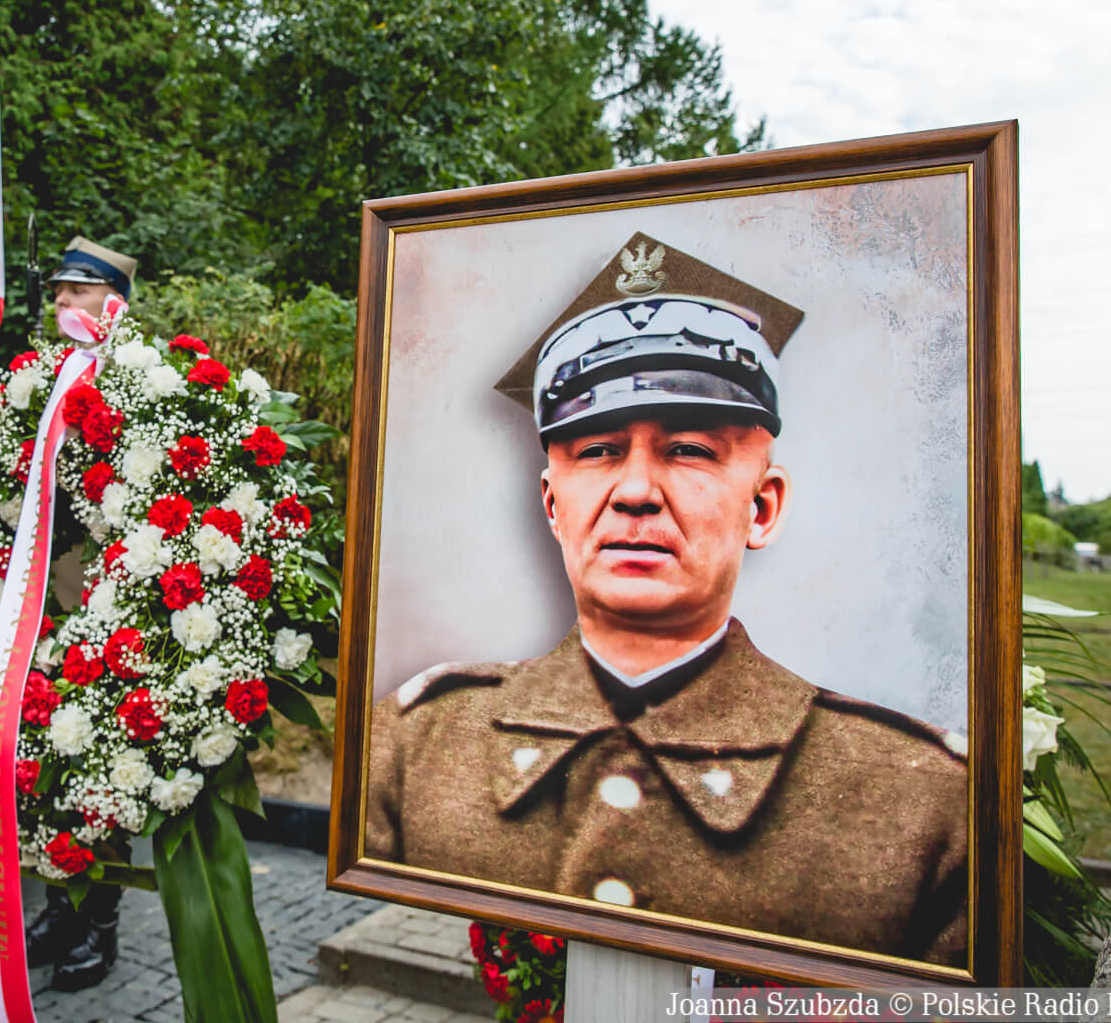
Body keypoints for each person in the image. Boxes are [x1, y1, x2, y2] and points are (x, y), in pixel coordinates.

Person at [363, 233, 970, 966]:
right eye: (597, 450)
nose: (635, 491)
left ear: (763, 508)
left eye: (689, 450)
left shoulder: (924, 804)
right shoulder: (415, 746)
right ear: (553, 506)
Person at [25, 235, 139, 992]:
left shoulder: (139, 377)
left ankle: (100, 921)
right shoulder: (45, 375)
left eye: (78, 290)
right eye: (60, 291)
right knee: (43, 764)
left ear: (113, 301)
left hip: (109, 603)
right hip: (43, 600)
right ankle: (57, 908)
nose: (62, 301)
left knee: (104, 773)